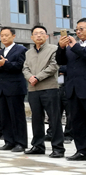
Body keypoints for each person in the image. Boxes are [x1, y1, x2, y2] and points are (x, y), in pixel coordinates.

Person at [23, 25, 65, 158]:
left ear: (47, 36)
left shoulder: (54, 49)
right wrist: (30, 77)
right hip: (33, 89)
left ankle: (58, 148)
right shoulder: (28, 53)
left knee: (54, 118)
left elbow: (54, 66)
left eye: (42, 33)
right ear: (32, 37)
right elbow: (25, 68)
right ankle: (38, 146)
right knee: (36, 119)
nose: (39, 36)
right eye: (36, 33)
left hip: (49, 88)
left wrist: (37, 77)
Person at [0, 27, 28, 152]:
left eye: (7, 35)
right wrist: (0, 65)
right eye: (2, 35)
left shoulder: (21, 49)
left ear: (13, 36)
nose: (4, 37)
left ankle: (21, 142)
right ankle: (9, 141)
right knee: (5, 116)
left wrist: (5, 64)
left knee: (17, 116)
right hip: (2, 88)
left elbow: (21, 66)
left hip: (15, 87)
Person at [56, 18, 86, 161]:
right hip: (73, 89)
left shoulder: (76, 47)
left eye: (81, 29)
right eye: (77, 29)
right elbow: (61, 62)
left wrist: (75, 47)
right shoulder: (73, 46)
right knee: (77, 122)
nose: (78, 32)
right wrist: (61, 48)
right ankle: (81, 150)